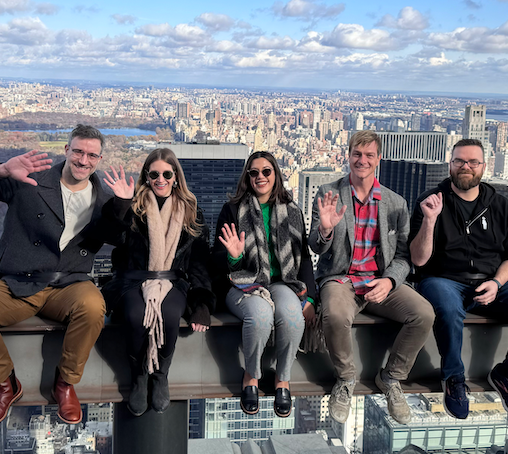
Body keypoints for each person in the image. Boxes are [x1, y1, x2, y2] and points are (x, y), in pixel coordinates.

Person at [0, 124, 128, 428]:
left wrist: (123, 205)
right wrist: (1, 169)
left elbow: (119, 238)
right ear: (66, 150)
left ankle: (65, 383)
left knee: (92, 307)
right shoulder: (30, 179)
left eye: (91, 155)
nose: (83, 160)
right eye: (78, 151)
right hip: (19, 280)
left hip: (70, 283)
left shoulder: (104, 200)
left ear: (99, 160)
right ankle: (5, 384)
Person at [408, 138, 508, 419]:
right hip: (443, 279)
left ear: (483, 167)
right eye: (459, 161)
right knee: (447, 306)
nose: (465, 167)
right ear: (450, 165)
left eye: (472, 162)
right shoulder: (430, 201)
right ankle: (454, 378)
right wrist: (430, 220)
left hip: (492, 280)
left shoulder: (500, 206)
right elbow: (418, 260)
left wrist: (497, 283)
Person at [309, 130, 435, 425]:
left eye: (368, 155)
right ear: (348, 156)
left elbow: (403, 257)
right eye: (356, 154)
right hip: (340, 278)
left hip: (380, 280)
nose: (362, 160)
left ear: (378, 159)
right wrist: (325, 229)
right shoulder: (329, 193)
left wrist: (389, 281)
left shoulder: (395, 203)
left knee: (424, 314)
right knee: (335, 315)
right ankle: (345, 379)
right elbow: (315, 246)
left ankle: (391, 378)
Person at [101, 148, 214, 416]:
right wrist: (121, 204)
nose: (160, 179)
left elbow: (199, 261)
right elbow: (110, 237)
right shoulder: (134, 206)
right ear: (147, 176)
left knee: (171, 314)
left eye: (166, 174)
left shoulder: (191, 212)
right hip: (132, 280)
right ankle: (139, 375)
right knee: (135, 314)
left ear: (176, 177)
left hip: (174, 281)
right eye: (154, 174)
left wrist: (201, 304)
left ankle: (161, 374)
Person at [212, 151, 315, 418]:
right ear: (247, 177)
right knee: (260, 316)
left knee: (293, 317)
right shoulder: (232, 210)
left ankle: (283, 378)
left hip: (281, 283)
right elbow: (216, 260)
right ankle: (251, 375)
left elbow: (303, 257)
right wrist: (234, 257)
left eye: (266, 171)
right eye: (254, 172)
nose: (260, 177)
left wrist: (310, 299)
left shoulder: (292, 210)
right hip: (241, 283)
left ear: (275, 174)